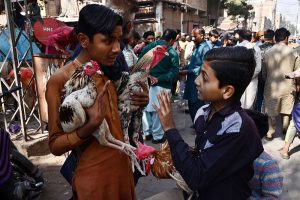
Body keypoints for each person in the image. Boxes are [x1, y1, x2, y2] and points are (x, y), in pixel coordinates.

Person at [46, 5, 137, 199]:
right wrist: (89, 126)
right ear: (83, 40)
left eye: (118, 40)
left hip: (122, 171)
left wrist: (137, 103)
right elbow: (55, 145)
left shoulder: (108, 70)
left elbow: (117, 121)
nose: (116, 48)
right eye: (108, 41)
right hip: (95, 182)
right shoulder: (59, 81)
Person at [152, 46, 263, 199]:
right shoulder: (203, 113)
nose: (197, 81)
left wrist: (170, 128)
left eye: (204, 77)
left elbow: (196, 177)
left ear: (227, 91)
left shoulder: (240, 129)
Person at [142, 29, 179, 144]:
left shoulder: (149, 46)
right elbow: (174, 71)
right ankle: (157, 136)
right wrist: (159, 78)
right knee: (159, 110)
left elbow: (140, 63)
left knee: (147, 109)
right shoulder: (171, 51)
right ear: (172, 40)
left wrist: (147, 76)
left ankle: (147, 133)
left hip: (146, 83)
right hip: (162, 85)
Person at [263, 28, 298, 140]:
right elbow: (297, 72)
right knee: (287, 110)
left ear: (275, 38)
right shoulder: (293, 52)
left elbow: (264, 73)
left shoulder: (267, 52)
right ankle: (285, 129)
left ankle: (270, 132)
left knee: (271, 110)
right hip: (288, 85)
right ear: (286, 38)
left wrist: (268, 80)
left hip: (272, 86)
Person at [181, 28, 210, 122]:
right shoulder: (197, 47)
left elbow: (205, 66)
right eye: (192, 36)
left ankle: (200, 125)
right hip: (191, 80)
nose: (192, 38)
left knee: (197, 105)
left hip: (198, 81)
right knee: (191, 105)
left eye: (195, 36)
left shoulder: (205, 48)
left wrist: (188, 71)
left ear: (202, 36)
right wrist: (185, 67)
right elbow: (194, 63)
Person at [236, 29, 262, 109]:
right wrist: (249, 76)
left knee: (236, 105)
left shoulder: (235, 48)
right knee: (248, 107)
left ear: (240, 37)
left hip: (237, 81)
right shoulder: (256, 48)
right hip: (251, 81)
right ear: (251, 38)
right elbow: (258, 68)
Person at [254, 29, 275, 112]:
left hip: (259, 77)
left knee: (259, 97)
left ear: (264, 37)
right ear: (273, 37)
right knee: (270, 98)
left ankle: (257, 115)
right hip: (271, 77)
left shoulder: (257, 48)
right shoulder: (275, 49)